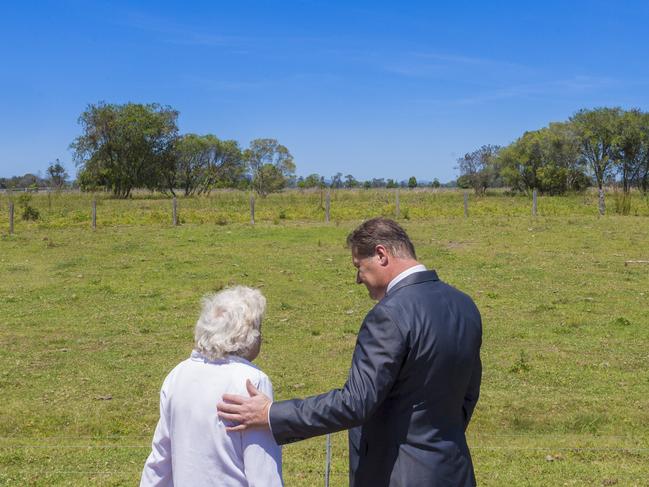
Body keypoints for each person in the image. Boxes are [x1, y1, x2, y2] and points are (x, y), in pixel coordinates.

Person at [218, 218, 482, 487]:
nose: (358, 279)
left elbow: (356, 402)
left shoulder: (389, 315)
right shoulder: (464, 305)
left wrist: (271, 414)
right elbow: (468, 395)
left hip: (397, 475)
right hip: (454, 471)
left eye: (359, 267)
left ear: (381, 255)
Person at [140, 286, 283, 487]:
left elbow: (160, 460)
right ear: (246, 334)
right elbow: (263, 472)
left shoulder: (178, 375)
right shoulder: (252, 382)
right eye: (259, 329)